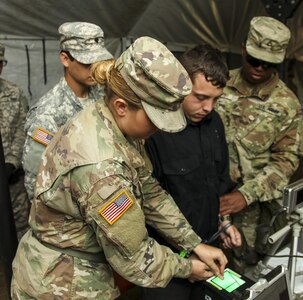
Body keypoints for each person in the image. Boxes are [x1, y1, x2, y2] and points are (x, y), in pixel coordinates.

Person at [11, 36, 227, 299]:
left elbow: (149, 191)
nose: (160, 128)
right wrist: (187, 267)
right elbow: (135, 259)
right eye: (156, 119)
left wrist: (193, 243)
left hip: (75, 269)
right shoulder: (103, 169)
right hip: (63, 284)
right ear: (122, 106)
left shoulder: (110, 121)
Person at [143, 44, 242, 300]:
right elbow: (148, 205)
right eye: (200, 97)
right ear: (181, 86)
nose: (208, 107)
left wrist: (225, 223)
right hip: (169, 262)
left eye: (215, 99)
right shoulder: (155, 132)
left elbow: (219, 183)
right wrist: (185, 260)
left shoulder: (214, 124)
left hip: (210, 249)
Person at [215, 16, 303, 272]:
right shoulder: (218, 85)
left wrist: (246, 195)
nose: (259, 68)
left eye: (268, 64)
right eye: (254, 60)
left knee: (244, 268)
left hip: (253, 210)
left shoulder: (286, 104)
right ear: (243, 48)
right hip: (210, 196)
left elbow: (287, 161)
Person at [22, 21, 114, 202]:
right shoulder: (47, 113)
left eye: (98, 60)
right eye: (87, 61)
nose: (94, 68)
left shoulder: (103, 95)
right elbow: (37, 184)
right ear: (65, 59)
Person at [0, 43, 30, 240]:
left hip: (12, 183)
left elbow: (23, 129)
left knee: (19, 234)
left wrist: (11, 163)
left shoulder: (14, 94)